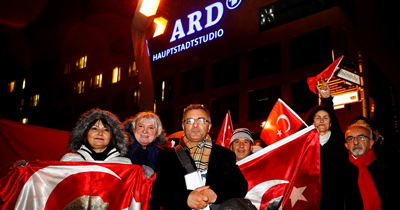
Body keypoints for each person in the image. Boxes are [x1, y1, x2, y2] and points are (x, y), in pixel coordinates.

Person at [151, 104, 248, 210]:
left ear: (209, 126)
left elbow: (240, 186)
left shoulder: (224, 154)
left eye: (201, 120)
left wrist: (216, 194)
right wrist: (186, 198)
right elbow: (158, 192)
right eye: (190, 121)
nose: (195, 125)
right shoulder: (167, 156)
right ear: (183, 126)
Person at [306, 81, 347, 210]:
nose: (322, 120)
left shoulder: (340, 140)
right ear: (313, 123)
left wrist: (326, 98)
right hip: (311, 199)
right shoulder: (306, 145)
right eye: (318, 118)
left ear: (330, 123)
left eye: (325, 117)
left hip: (336, 200)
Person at [343, 124, 400, 209]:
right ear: (346, 145)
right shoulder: (340, 169)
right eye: (350, 139)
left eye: (361, 137)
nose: (355, 142)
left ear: (371, 143)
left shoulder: (386, 166)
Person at [61, 108, 131, 164]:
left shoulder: (124, 163)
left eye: (106, 130)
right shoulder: (69, 160)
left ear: (112, 136)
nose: (100, 133)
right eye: (94, 128)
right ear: (85, 133)